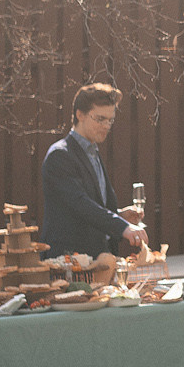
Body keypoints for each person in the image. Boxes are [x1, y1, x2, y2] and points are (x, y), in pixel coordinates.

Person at [39, 83, 148, 260]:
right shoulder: (59, 155)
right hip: (67, 262)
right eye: (100, 119)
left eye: (110, 120)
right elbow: (80, 204)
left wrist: (120, 215)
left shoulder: (92, 152)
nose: (106, 126)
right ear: (79, 115)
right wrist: (122, 227)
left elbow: (91, 207)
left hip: (98, 260)